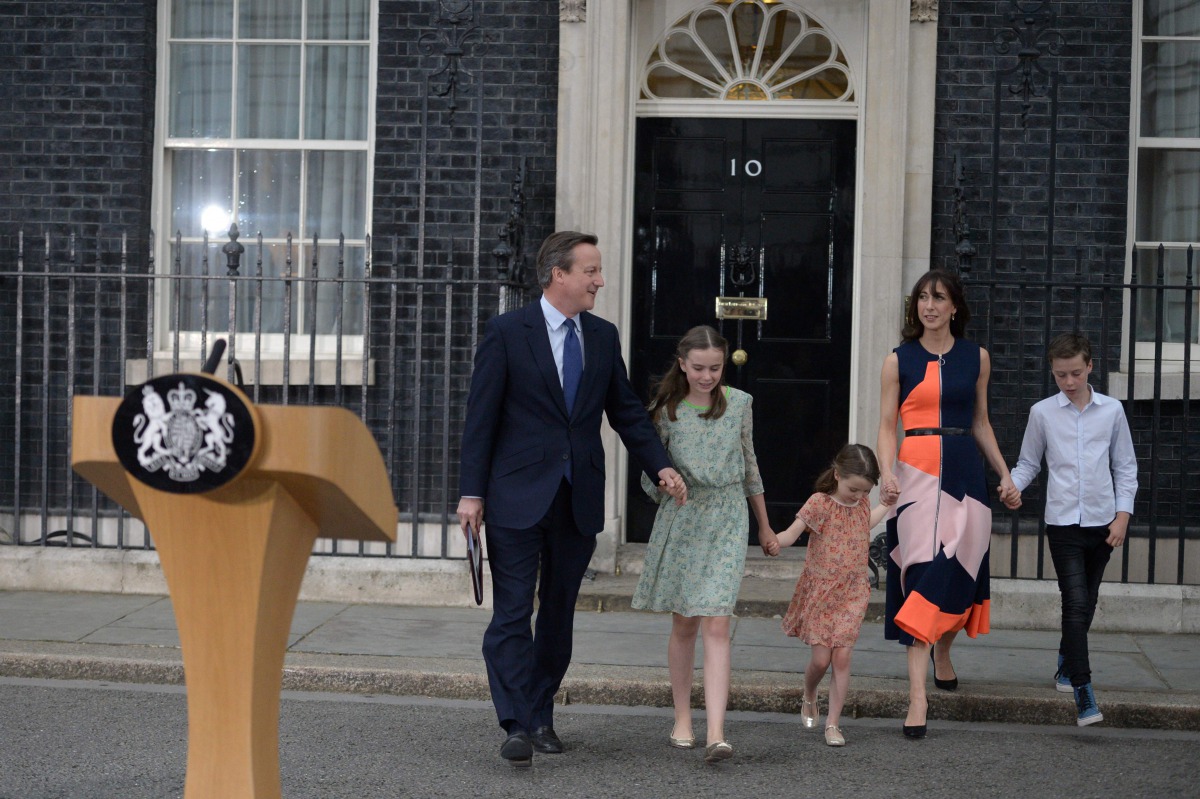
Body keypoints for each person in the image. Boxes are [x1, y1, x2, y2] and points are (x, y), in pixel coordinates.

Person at [457, 231, 687, 767]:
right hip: (515, 495)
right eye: (591, 271)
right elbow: (481, 419)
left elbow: (627, 412)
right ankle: (514, 721)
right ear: (558, 273)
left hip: (577, 496)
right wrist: (471, 493)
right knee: (513, 612)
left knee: (558, 613)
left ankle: (541, 715)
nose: (599, 281)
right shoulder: (507, 332)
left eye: (598, 271)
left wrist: (662, 465)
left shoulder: (603, 337)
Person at [876, 269, 1021, 739]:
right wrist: (884, 472)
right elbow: (885, 427)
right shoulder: (899, 360)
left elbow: (981, 422)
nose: (929, 306)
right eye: (922, 298)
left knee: (961, 574)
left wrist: (1004, 473)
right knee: (921, 575)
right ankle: (917, 698)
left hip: (964, 473)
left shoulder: (976, 358)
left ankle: (943, 649)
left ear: (955, 306)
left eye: (938, 298)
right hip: (915, 473)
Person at [631, 325, 771, 764]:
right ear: (682, 364)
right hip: (685, 518)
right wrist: (664, 483)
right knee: (686, 623)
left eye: (715, 368)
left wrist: (764, 526)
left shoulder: (741, 404)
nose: (707, 376)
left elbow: (750, 466)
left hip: (728, 517)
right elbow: (650, 475)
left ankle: (716, 732)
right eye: (699, 368)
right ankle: (682, 719)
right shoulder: (666, 409)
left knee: (717, 622)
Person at [1009, 333, 1137, 726]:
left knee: (1088, 601)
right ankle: (1083, 690)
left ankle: (1066, 664)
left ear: (1090, 367)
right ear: (1052, 371)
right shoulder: (1043, 413)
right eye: (1061, 374)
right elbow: (1029, 463)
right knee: (1076, 602)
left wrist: (1122, 517)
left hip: (1103, 523)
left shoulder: (1112, 411)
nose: (1069, 382)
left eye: (1076, 373)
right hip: (1062, 523)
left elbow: (1125, 468)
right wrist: (1013, 485)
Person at [762, 444, 892, 747]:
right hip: (821, 593)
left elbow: (865, 523)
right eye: (853, 489)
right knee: (821, 661)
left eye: (864, 491)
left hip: (852, 592)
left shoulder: (861, 504)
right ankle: (809, 693)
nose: (858, 496)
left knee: (843, 656)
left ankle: (833, 723)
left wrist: (885, 505)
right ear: (837, 475)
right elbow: (793, 533)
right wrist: (775, 543)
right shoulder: (819, 504)